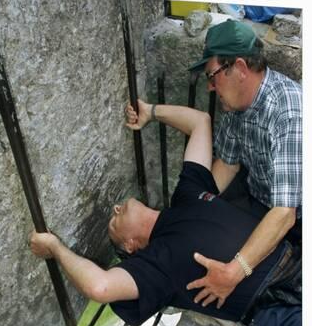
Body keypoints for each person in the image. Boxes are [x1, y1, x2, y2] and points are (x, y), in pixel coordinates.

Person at [29, 105, 301, 326]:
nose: (115, 208)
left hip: (298, 259)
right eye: (113, 224)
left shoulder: (187, 193)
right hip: (276, 312)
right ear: (132, 245)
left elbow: (200, 122)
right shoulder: (154, 265)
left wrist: (151, 112)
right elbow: (100, 286)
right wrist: (55, 247)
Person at [127, 19, 302, 311]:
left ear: (241, 69)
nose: (210, 87)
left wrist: (234, 272)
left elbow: (285, 213)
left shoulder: (290, 113)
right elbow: (228, 165)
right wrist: (192, 209)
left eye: (213, 75)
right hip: (262, 203)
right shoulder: (237, 109)